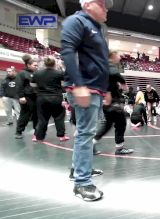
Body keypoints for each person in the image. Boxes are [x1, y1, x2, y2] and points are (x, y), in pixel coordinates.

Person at [61, 0, 113, 201]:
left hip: (95, 89)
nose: (106, 8)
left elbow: (99, 62)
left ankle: (78, 170)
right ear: (89, 4)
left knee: (85, 132)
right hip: (85, 88)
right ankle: (82, 183)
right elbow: (67, 52)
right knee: (85, 134)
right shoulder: (76, 21)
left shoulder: (96, 28)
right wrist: (79, 84)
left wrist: (105, 88)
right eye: (103, 4)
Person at [92, 50, 134, 155]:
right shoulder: (109, 66)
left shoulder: (102, 67)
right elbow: (114, 74)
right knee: (121, 123)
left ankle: (91, 143)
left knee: (108, 125)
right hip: (112, 102)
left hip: (108, 100)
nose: (120, 57)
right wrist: (123, 83)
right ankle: (119, 148)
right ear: (113, 55)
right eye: (118, 55)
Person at [31, 56, 69, 141]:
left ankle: (38, 136)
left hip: (41, 98)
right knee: (59, 117)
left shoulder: (37, 73)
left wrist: (39, 90)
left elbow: (32, 85)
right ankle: (61, 136)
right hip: (56, 98)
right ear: (55, 63)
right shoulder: (59, 73)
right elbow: (65, 84)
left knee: (42, 118)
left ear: (44, 63)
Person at [15, 54, 38, 139]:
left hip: (36, 97)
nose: (36, 66)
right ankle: (18, 132)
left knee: (37, 115)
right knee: (25, 115)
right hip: (26, 97)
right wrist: (21, 96)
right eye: (35, 65)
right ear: (28, 65)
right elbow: (19, 86)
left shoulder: (36, 73)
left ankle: (37, 132)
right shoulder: (22, 73)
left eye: (37, 65)